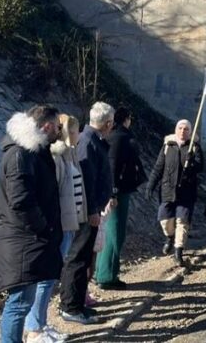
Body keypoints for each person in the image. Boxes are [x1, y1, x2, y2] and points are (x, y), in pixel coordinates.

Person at [0, 106, 63, 343]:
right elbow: (21, 201)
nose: (60, 131)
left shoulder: (31, 152)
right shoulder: (20, 155)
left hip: (27, 240)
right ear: (46, 126)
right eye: (58, 126)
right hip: (23, 241)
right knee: (19, 303)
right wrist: (44, 228)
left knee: (22, 302)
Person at [24, 114, 83, 343]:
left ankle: (41, 324)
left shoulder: (68, 154)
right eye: (75, 130)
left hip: (67, 224)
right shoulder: (56, 157)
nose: (79, 134)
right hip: (57, 226)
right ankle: (35, 330)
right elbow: (53, 195)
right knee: (45, 279)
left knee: (50, 279)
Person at [60, 101, 113, 325]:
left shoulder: (92, 140)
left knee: (84, 258)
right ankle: (71, 306)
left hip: (90, 210)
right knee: (78, 259)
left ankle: (78, 305)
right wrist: (92, 210)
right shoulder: (89, 141)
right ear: (108, 124)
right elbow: (87, 180)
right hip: (86, 212)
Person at [96, 107, 144, 290]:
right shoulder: (120, 138)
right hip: (117, 193)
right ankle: (107, 276)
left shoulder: (111, 136)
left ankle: (101, 271)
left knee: (108, 232)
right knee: (114, 233)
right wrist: (113, 192)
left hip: (113, 191)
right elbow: (113, 165)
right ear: (127, 119)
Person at [147, 119, 204, 267]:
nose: (183, 131)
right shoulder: (168, 146)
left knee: (182, 222)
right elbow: (159, 167)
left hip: (186, 191)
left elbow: (200, 167)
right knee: (165, 221)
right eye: (180, 128)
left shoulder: (194, 147)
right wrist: (150, 186)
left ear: (190, 132)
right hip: (167, 190)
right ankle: (169, 237)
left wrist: (192, 162)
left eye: (186, 129)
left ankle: (178, 251)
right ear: (175, 129)